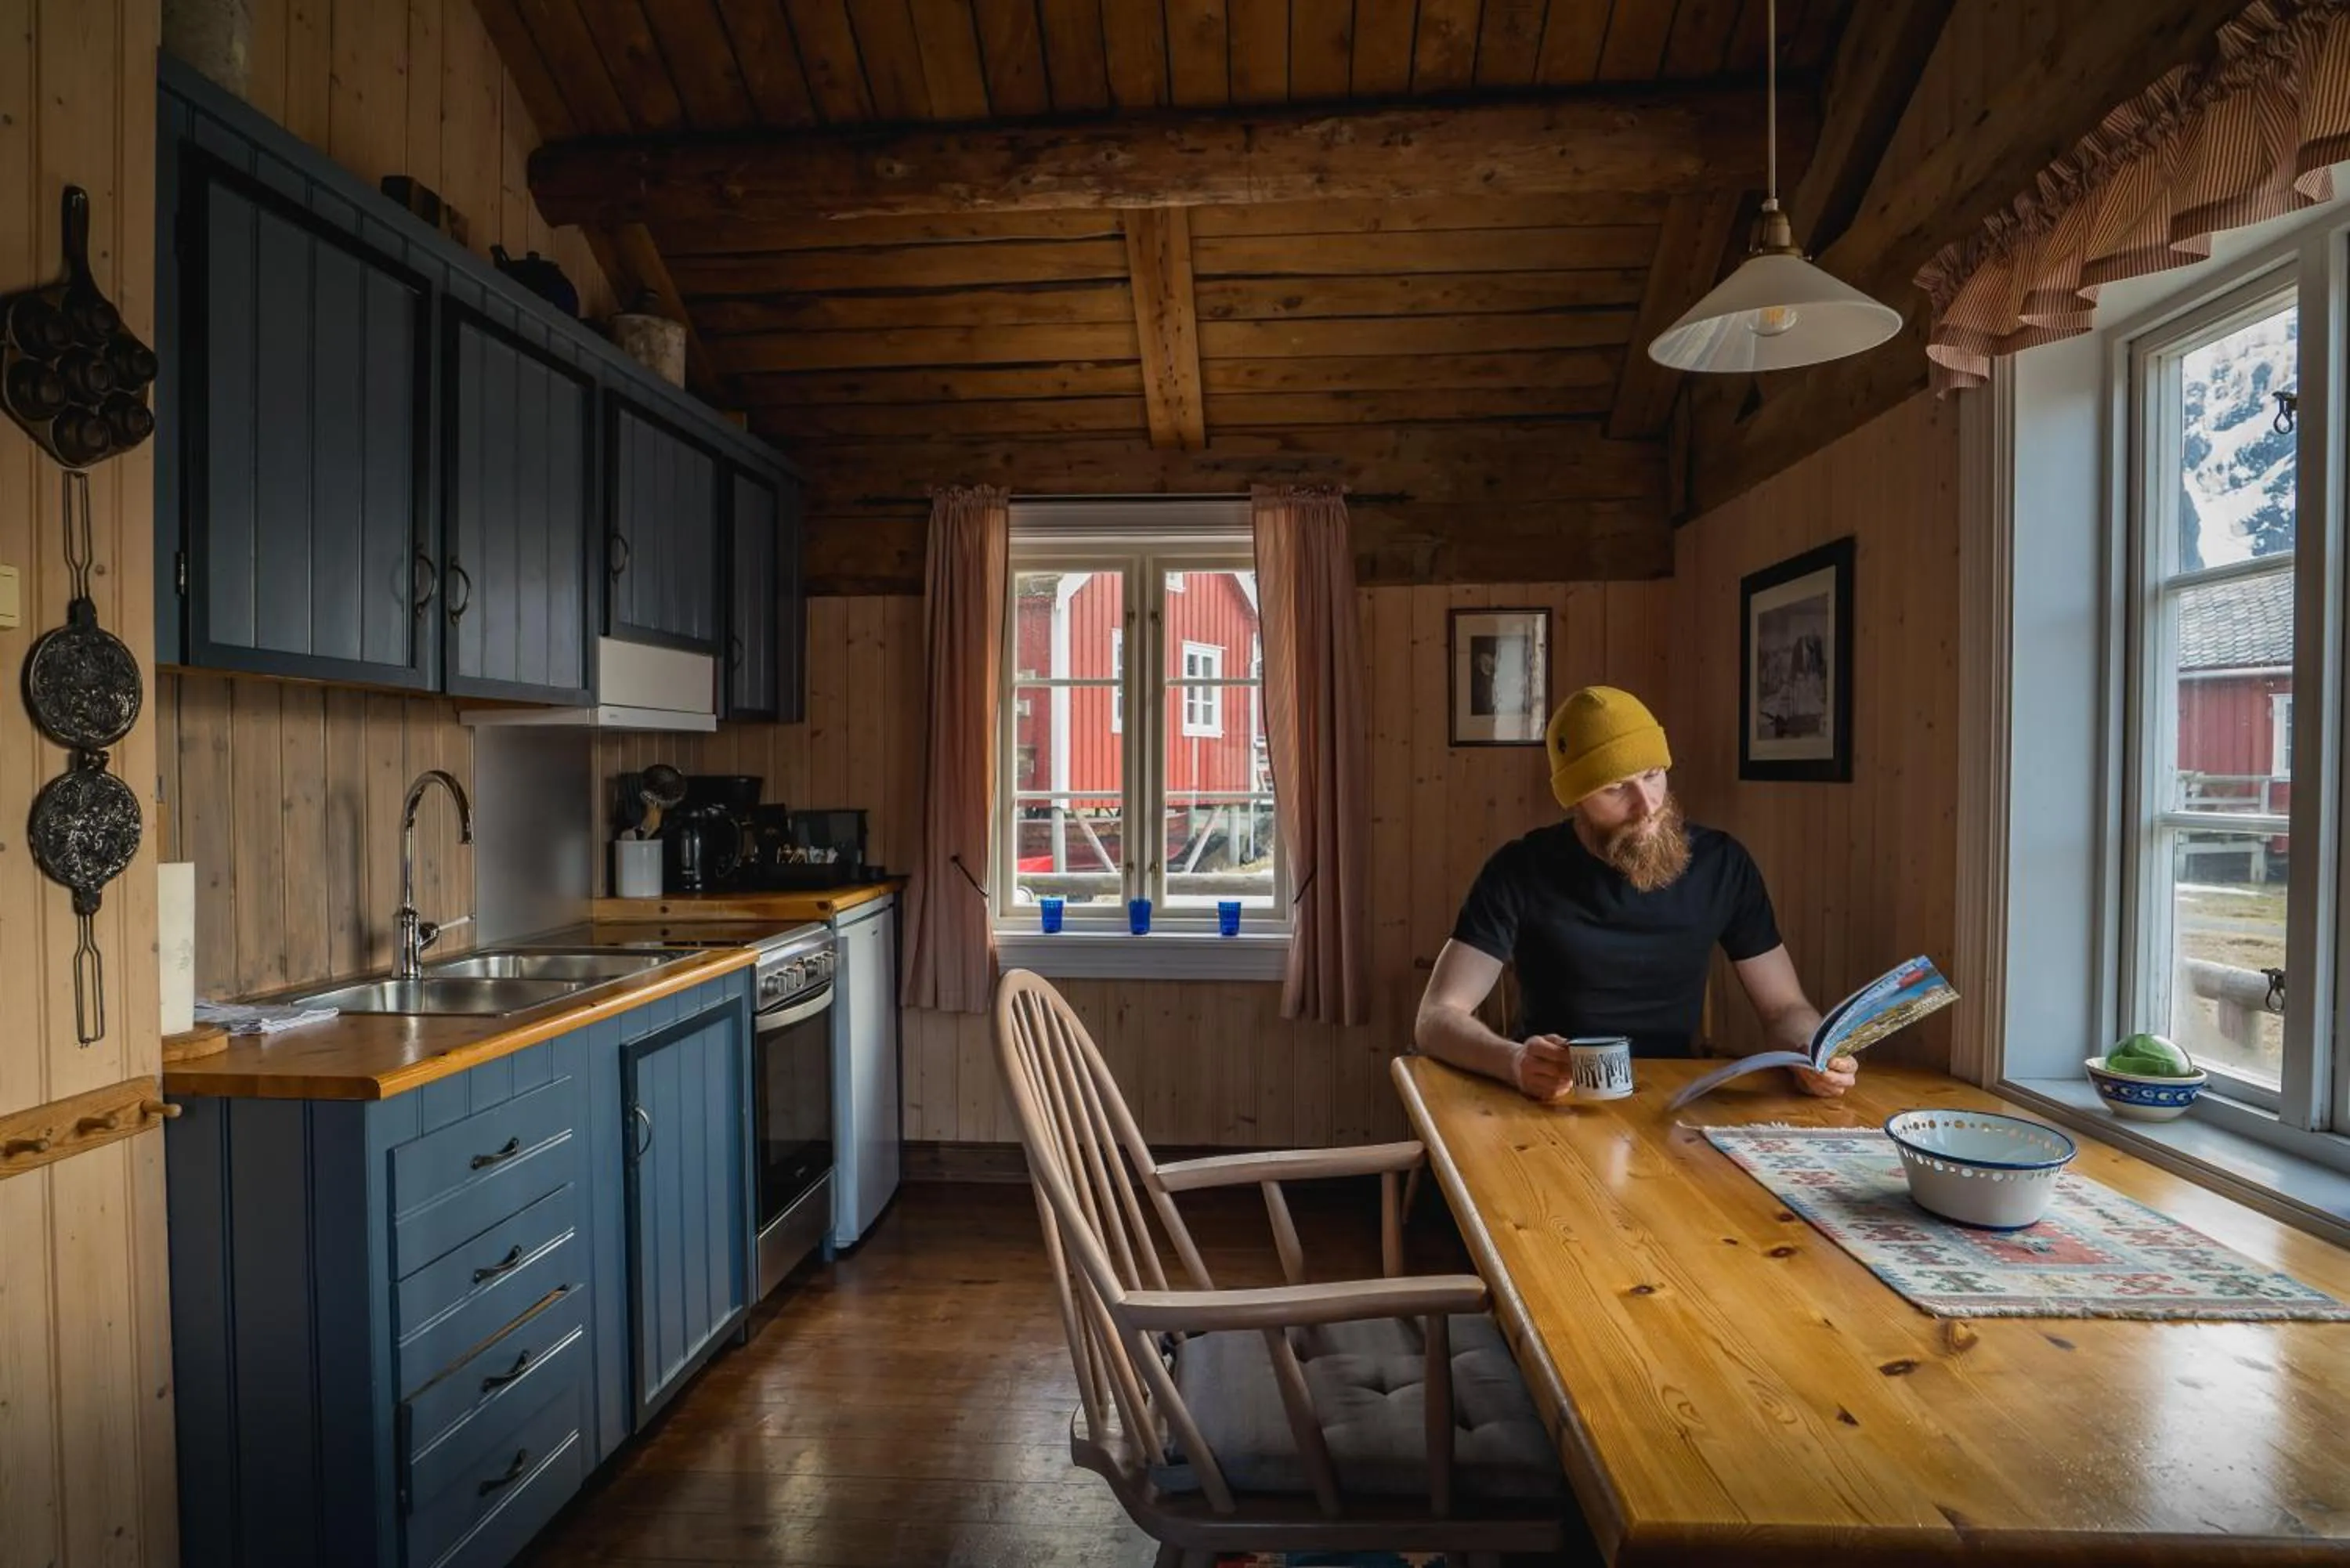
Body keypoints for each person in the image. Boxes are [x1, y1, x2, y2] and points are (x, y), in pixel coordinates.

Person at [1413, 685, 1858, 1103]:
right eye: (1615, 787)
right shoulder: (1519, 870)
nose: (1647, 806)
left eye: (1652, 775)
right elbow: (1436, 1017)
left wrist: (1812, 1049)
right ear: (1575, 797)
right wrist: (1513, 1062)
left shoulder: (1722, 865)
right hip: (1557, 1100)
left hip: (1677, 1099)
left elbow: (1784, 1007)